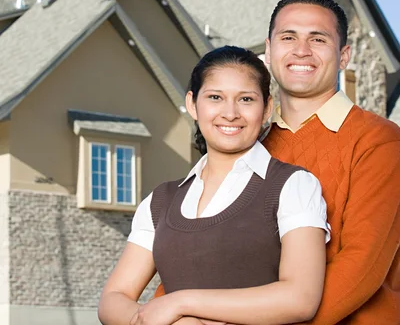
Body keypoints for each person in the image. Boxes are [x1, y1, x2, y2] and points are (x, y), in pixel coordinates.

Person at [98, 45, 330, 325]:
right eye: (215, 97)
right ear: (192, 104)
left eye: (246, 99)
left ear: (267, 107)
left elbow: (300, 299)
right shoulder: (161, 201)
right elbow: (114, 297)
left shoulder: (293, 185)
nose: (230, 113)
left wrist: (181, 303)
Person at [263, 0, 400, 324]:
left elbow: (361, 267)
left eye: (318, 39)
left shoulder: (380, 141)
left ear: (343, 56)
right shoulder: (251, 148)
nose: (301, 50)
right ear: (268, 51)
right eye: (288, 36)